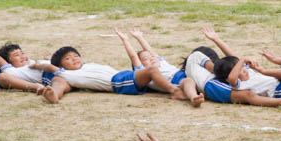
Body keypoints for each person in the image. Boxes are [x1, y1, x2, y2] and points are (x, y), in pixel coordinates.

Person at [34, 41, 189, 105]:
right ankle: (174, 91)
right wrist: (38, 65)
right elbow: (50, 69)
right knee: (152, 70)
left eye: (76, 56)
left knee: (152, 74)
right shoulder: (63, 74)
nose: (74, 59)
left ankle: (176, 87)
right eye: (68, 59)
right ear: (61, 65)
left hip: (122, 76)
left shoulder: (85, 66)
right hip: (117, 82)